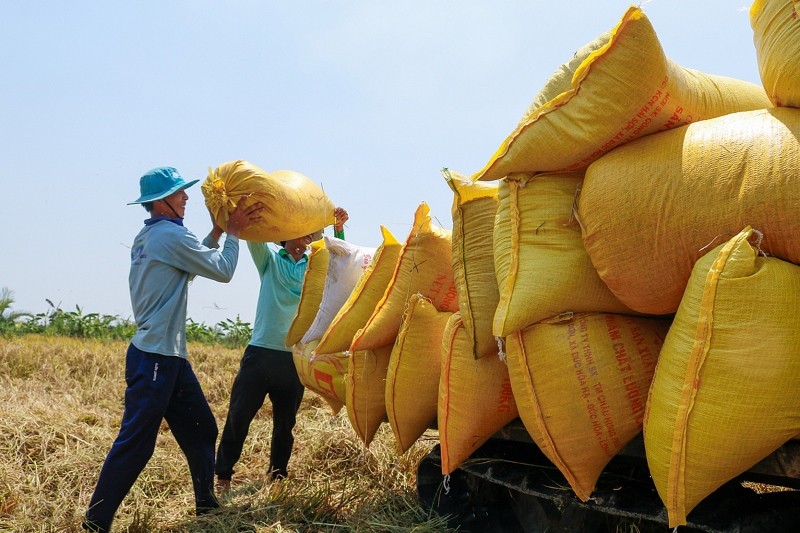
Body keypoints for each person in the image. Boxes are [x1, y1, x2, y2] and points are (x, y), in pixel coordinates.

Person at [82, 166, 265, 533]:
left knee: (201, 429)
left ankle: (205, 505)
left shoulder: (152, 236)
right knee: (137, 443)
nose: (185, 198)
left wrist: (216, 231)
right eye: (179, 193)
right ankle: (96, 521)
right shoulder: (168, 236)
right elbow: (223, 270)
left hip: (169, 358)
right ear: (160, 202)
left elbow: (192, 262)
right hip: (155, 358)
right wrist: (233, 234)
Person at [215, 207, 349, 491]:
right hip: (261, 353)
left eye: (309, 235)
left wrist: (337, 228)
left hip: (293, 358)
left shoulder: (315, 266)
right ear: (286, 237)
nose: (305, 240)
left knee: (285, 424)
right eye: (298, 235)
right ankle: (223, 475)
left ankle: (277, 476)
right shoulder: (271, 262)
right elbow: (255, 240)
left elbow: (340, 263)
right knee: (239, 416)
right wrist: (256, 213)